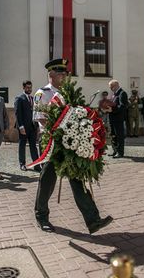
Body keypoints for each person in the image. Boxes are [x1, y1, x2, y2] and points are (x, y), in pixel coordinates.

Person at [33, 58, 113, 234]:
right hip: (51, 142)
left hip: (70, 142)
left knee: (77, 178)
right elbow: (40, 118)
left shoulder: (68, 93)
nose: (64, 76)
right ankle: (41, 215)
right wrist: (59, 132)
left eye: (65, 73)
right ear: (51, 74)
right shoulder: (42, 93)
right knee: (48, 180)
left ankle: (93, 220)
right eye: (61, 73)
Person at [13, 80, 40, 172]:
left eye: (30, 87)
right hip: (23, 127)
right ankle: (22, 164)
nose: (29, 89)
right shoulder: (19, 98)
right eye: (27, 87)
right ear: (23, 88)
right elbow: (18, 113)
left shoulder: (33, 99)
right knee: (22, 145)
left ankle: (36, 165)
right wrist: (21, 127)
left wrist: (38, 125)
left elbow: (36, 112)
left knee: (33, 146)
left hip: (33, 127)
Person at [106, 80, 128, 158]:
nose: (111, 88)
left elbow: (122, 106)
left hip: (118, 119)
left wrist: (112, 110)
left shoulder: (122, 93)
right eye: (110, 87)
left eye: (111, 87)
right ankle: (115, 151)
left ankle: (120, 152)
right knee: (113, 135)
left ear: (116, 85)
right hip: (112, 118)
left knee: (119, 136)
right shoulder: (114, 94)